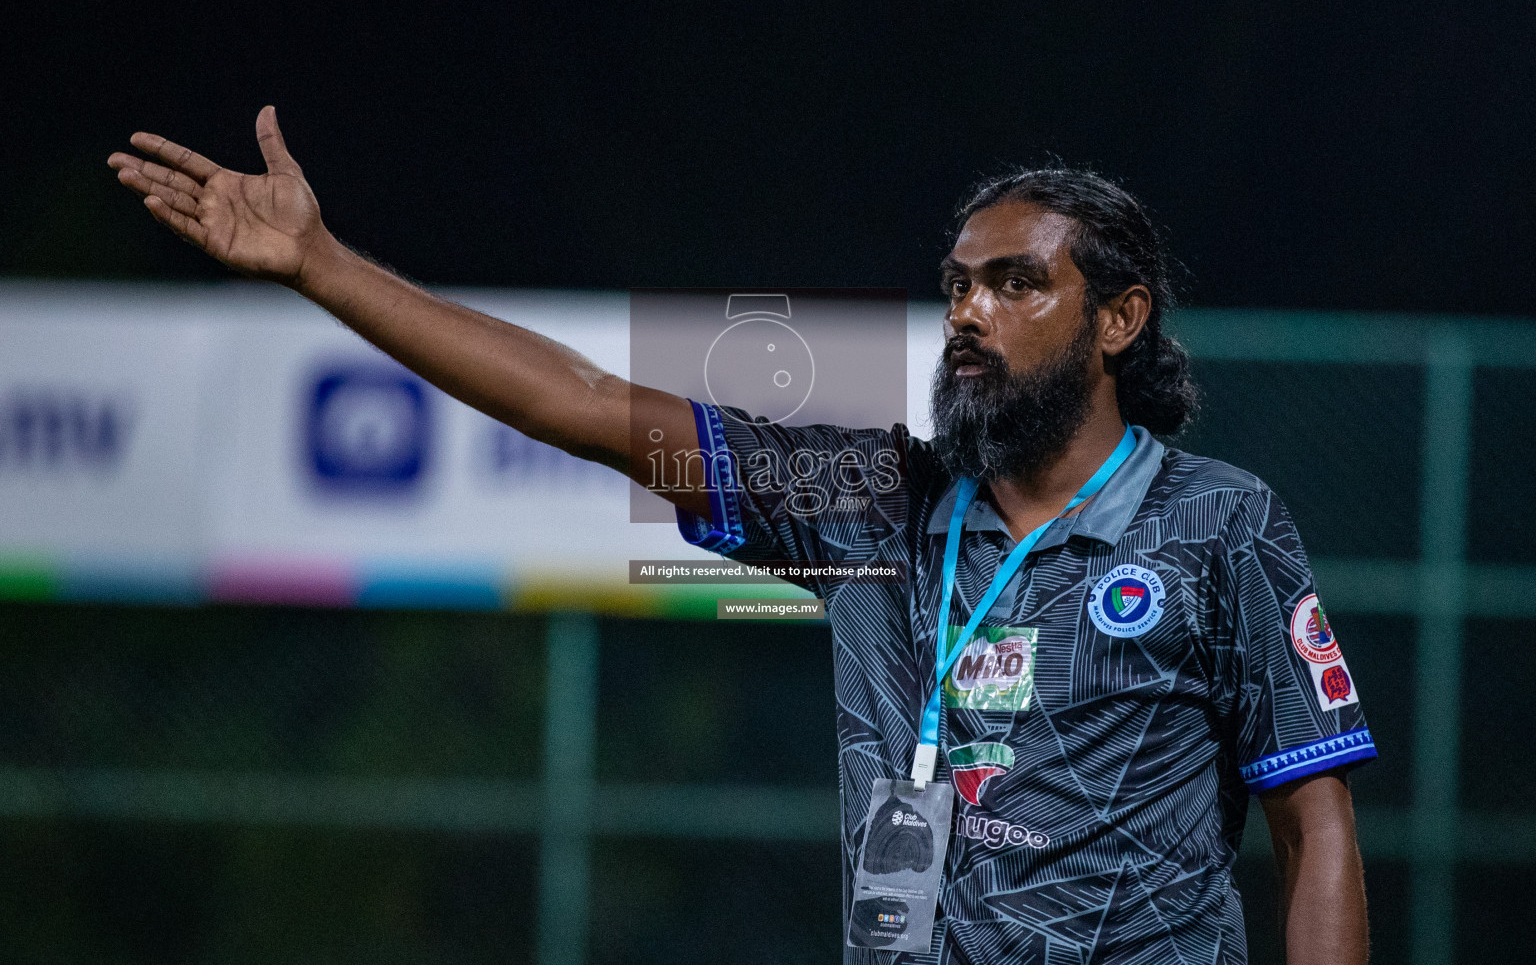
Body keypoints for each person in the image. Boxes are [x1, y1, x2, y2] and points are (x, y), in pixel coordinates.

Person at [109, 108, 1375, 964]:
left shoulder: (1221, 522)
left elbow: (1315, 826)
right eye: (957, 285)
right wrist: (326, 267)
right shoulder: (876, 505)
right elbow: (590, 406)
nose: (969, 313)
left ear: (1119, 320)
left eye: (1014, 283)